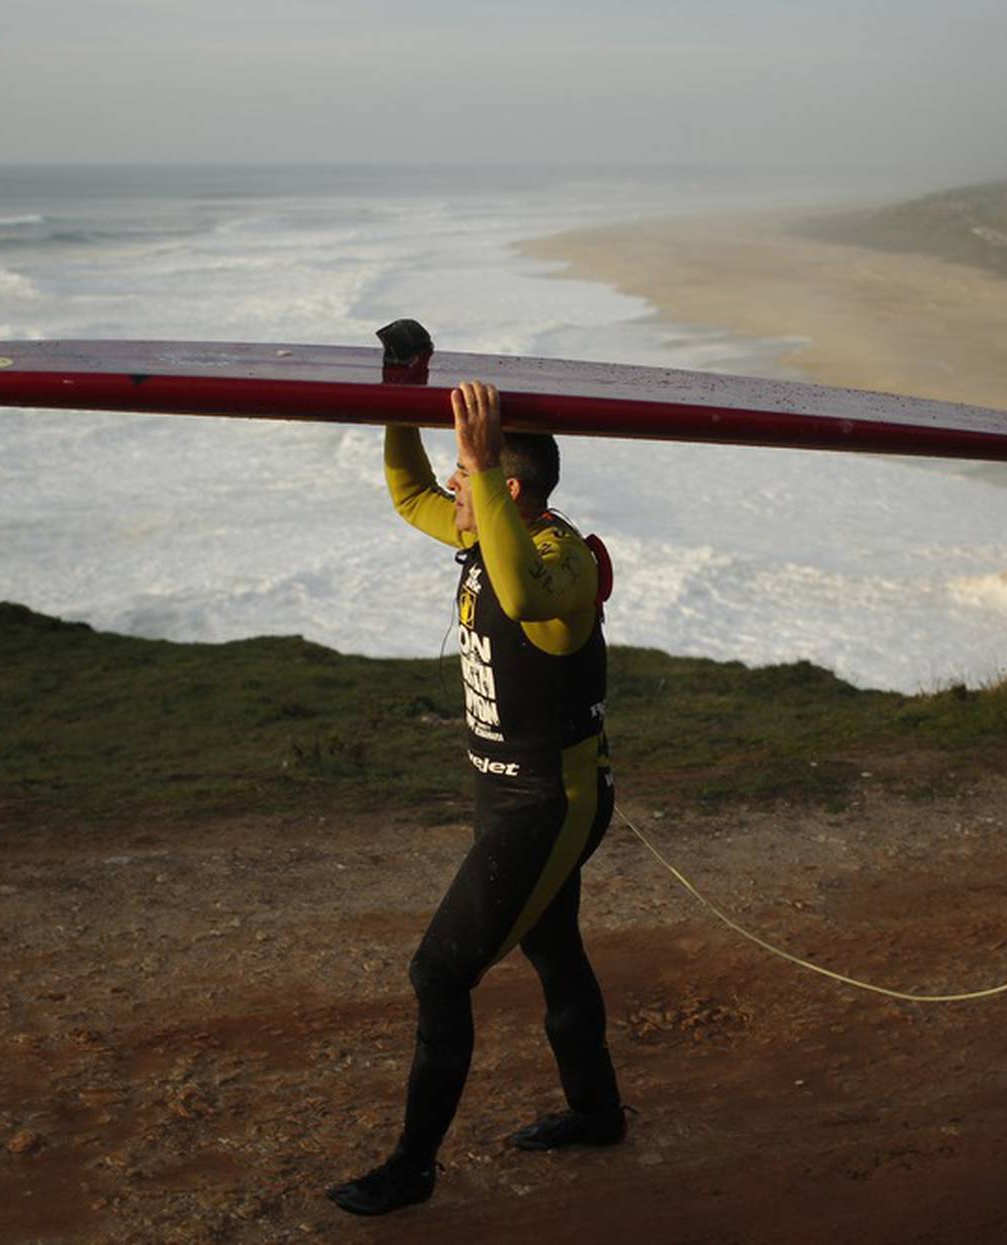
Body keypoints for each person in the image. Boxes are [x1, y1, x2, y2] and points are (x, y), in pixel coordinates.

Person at [327, 381, 626, 1216]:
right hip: (504, 796)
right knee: (553, 945)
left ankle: (413, 1166)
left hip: (549, 803)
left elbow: (527, 597)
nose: (458, 486)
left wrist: (482, 465)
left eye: (475, 475)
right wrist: (400, 395)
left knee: (439, 971)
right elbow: (410, 493)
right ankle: (597, 1111)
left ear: (509, 486)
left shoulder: (562, 564)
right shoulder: (482, 524)